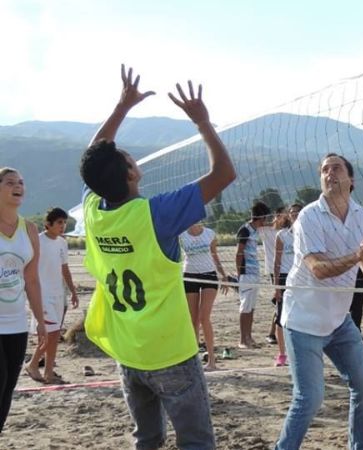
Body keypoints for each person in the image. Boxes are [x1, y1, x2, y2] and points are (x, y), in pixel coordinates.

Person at [80, 65, 235, 449]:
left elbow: (94, 158)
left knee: (147, 439)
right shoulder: (155, 214)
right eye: (131, 159)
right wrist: (203, 122)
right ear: (132, 173)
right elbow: (224, 173)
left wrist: (120, 108)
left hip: (128, 350)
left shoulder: (93, 211)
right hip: (170, 352)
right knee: (196, 441)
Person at [275, 153, 363, 450]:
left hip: (338, 320)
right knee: (309, 398)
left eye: (336, 168)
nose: (329, 173)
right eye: (324, 170)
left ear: (351, 179)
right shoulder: (308, 216)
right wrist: (357, 256)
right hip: (303, 320)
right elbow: (319, 269)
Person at [0, 167, 47, 432]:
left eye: (21, 182)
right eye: (10, 182)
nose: (18, 186)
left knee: (7, 389)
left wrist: (40, 321)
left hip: (16, 323)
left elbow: (31, 280)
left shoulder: (28, 229)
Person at [25, 207, 79, 384]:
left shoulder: (62, 243)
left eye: (64, 222)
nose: (62, 226)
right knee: (50, 333)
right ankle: (33, 365)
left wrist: (72, 291)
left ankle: (48, 372)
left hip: (58, 295)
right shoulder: (37, 241)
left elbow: (65, 269)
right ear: (48, 224)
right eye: (59, 223)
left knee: (55, 335)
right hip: (41, 295)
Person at [180, 222, 227, 371]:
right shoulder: (181, 235)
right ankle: (195, 359)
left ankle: (212, 360)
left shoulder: (209, 233)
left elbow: (215, 255)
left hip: (209, 275)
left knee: (203, 317)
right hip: (190, 276)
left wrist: (223, 275)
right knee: (193, 319)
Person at [236, 202, 270, 349]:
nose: (266, 221)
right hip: (246, 274)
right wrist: (239, 274)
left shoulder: (256, 231)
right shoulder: (245, 230)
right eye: (265, 218)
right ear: (260, 217)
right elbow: (239, 253)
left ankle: (249, 337)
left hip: (255, 272)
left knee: (251, 307)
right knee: (245, 307)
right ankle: (243, 339)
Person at [272, 204, 302, 366]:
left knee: (301, 316)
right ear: (288, 217)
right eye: (292, 213)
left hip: (301, 278)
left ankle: (300, 352)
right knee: (281, 317)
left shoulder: (307, 232)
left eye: (298, 213)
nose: (295, 215)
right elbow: (276, 263)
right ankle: (282, 354)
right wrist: (276, 287)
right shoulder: (282, 235)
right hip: (285, 278)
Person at [261, 206, 282, 345]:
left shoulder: (288, 231)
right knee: (279, 301)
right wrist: (274, 221)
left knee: (283, 302)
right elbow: (255, 222)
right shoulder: (266, 230)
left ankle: (276, 332)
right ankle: (272, 333)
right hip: (273, 269)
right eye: (280, 215)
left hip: (289, 270)